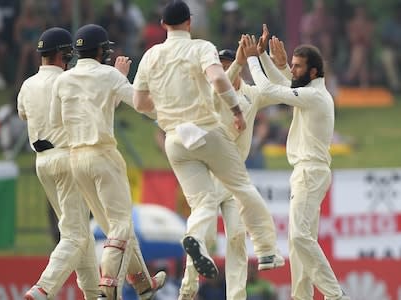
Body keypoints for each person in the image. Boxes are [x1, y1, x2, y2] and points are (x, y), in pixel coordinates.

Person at [133, 0, 284, 289]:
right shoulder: (201, 47)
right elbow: (217, 78)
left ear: (163, 24)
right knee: (243, 187)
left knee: (203, 206)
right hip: (206, 134)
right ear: (189, 22)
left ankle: (197, 241)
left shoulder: (151, 56)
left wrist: (166, 112)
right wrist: (236, 111)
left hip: (175, 139)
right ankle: (267, 251)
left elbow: (139, 103)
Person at [49, 23, 165, 300]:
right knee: (122, 226)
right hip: (103, 156)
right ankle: (108, 287)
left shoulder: (62, 80)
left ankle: (144, 285)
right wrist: (126, 80)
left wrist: (115, 84)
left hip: (77, 159)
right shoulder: (109, 75)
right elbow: (141, 105)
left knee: (116, 231)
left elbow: (57, 121)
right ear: (102, 50)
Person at [240, 28, 350, 300]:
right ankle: (302, 296)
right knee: (298, 240)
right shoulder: (310, 90)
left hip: (310, 172)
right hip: (308, 171)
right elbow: (285, 86)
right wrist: (267, 57)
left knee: (300, 237)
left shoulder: (316, 97)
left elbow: (270, 89)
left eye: (298, 67)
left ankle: (336, 296)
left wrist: (253, 58)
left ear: (313, 72)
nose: (292, 69)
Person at [179, 46, 289, 300]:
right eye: (221, 65)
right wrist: (239, 62)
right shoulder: (211, 93)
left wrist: (279, 65)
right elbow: (223, 81)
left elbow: (283, 90)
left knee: (237, 237)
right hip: (214, 171)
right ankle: (187, 290)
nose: (225, 70)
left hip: (237, 176)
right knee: (202, 233)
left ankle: (236, 296)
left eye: (228, 63)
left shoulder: (252, 94)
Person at [17, 27, 101, 300]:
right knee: (75, 235)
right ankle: (43, 289)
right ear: (64, 54)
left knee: (79, 231)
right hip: (68, 159)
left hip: (43, 164)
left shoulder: (27, 84)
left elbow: (23, 114)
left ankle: (95, 293)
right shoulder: (68, 81)